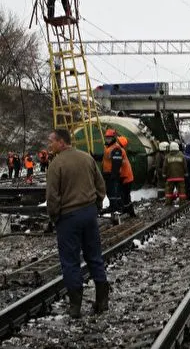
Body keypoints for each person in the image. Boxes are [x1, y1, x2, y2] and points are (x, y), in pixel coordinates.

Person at [45, 128, 109, 318]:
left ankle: (75, 307)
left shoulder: (56, 164)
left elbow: (52, 196)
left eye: (52, 141)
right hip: (89, 213)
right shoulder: (86, 158)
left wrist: (54, 217)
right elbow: (100, 184)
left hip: (68, 217)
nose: (49, 144)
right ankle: (102, 301)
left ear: (62, 142)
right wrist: (96, 204)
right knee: (94, 256)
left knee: (70, 261)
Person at [100, 129, 125, 214]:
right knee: (110, 192)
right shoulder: (108, 147)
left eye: (109, 138)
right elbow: (104, 157)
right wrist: (94, 156)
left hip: (112, 175)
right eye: (106, 138)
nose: (107, 139)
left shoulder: (116, 148)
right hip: (107, 174)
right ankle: (112, 206)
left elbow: (117, 163)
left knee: (114, 192)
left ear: (113, 138)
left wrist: (113, 175)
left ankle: (117, 208)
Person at [116, 136, 136, 218]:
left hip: (125, 177)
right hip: (127, 177)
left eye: (117, 141)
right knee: (125, 195)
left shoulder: (120, 151)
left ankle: (130, 212)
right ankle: (129, 211)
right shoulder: (121, 150)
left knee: (124, 195)